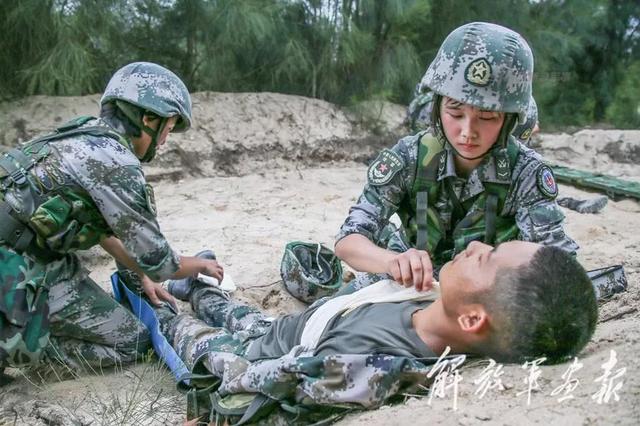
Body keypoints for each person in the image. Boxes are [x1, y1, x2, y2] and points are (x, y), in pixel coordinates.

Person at [154, 240, 597, 423]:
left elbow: (267, 386)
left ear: (474, 320)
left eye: (486, 258)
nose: (476, 246)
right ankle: (196, 282)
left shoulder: (371, 358)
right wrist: (391, 266)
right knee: (225, 305)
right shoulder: (438, 298)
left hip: (260, 348)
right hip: (288, 324)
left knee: (181, 324)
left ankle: (178, 297)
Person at [0, 62, 224, 374]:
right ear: (148, 118)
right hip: (16, 264)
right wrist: (201, 265)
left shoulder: (79, 135)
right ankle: (19, 344)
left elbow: (101, 228)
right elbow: (162, 264)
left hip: (21, 246)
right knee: (133, 341)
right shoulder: (116, 163)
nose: (163, 142)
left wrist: (142, 275)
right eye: (168, 130)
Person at [335, 22, 578, 293]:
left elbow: (557, 264)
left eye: (487, 117)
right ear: (437, 107)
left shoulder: (526, 172)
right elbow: (349, 240)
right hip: (411, 282)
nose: (467, 132)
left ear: (509, 120)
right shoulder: (408, 157)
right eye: (455, 112)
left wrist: (504, 264)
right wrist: (393, 261)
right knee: (334, 311)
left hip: (490, 290)